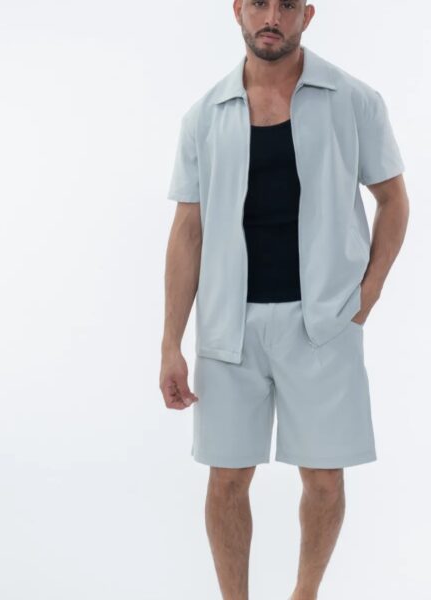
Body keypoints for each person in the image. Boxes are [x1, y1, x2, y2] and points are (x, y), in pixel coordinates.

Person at [159, 2, 410, 599]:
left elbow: (393, 199)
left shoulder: (354, 100)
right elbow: (187, 230)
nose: (272, 16)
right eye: (259, 3)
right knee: (226, 479)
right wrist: (171, 342)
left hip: (324, 322)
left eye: (287, 5)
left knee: (323, 478)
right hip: (228, 326)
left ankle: (305, 595)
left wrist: (368, 292)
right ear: (238, 11)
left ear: (307, 15)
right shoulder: (203, 116)